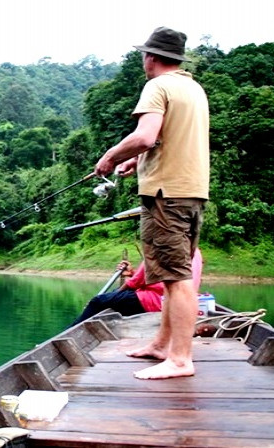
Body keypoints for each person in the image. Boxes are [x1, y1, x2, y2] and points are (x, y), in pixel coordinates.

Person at [94, 27, 210, 380]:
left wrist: (111, 157)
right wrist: (136, 161)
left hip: (167, 196)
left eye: (144, 56)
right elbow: (163, 141)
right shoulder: (193, 88)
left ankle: (179, 359)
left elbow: (144, 136)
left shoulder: (157, 86)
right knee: (169, 273)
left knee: (175, 279)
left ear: (151, 57)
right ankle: (162, 344)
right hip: (190, 191)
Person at [69, 248, 202, 327]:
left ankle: (70, 331)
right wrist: (132, 273)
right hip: (183, 303)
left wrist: (111, 295)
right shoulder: (195, 251)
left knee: (97, 301)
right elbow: (156, 278)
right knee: (112, 298)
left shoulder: (163, 247)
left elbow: (133, 283)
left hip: (155, 302)